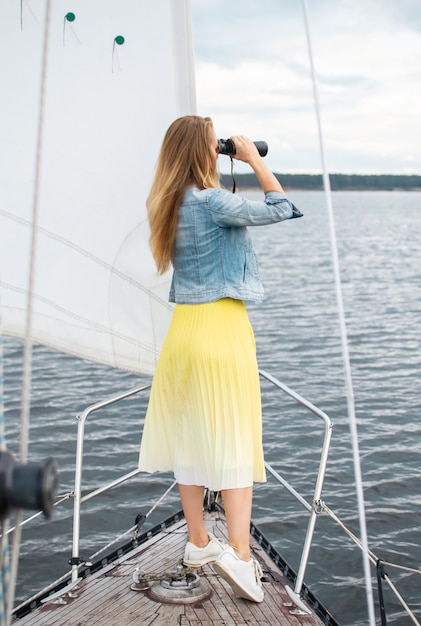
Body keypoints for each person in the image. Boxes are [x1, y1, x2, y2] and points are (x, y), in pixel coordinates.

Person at [138, 115, 302, 603]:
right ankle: (242, 558)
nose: (219, 151)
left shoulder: (167, 200)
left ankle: (198, 543)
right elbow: (284, 208)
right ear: (201, 152)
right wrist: (251, 159)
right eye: (214, 146)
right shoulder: (212, 201)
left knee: (191, 438)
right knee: (234, 441)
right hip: (221, 329)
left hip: (183, 332)